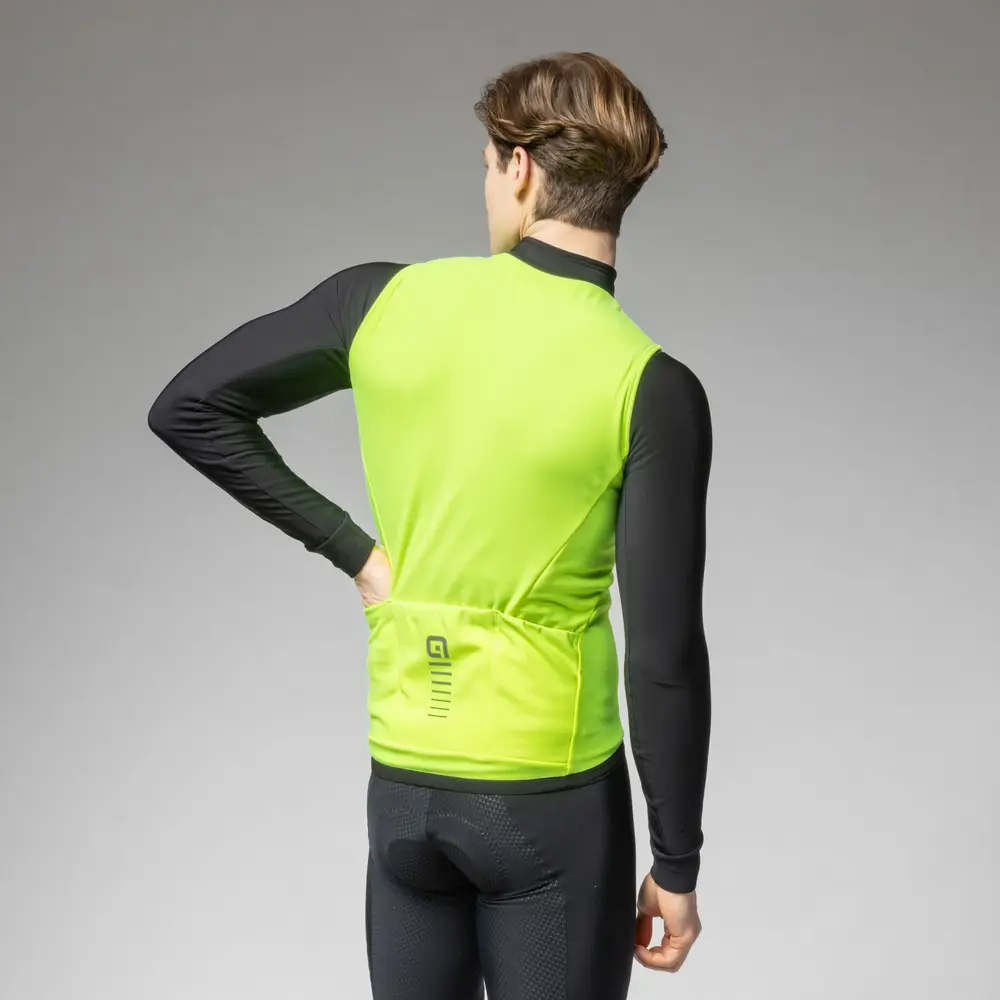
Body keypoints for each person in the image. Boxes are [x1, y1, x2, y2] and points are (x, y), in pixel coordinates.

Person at [148, 50, 712, 1000]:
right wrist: (678, 864)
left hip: (405, 790)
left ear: (520, 169)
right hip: (550, 801)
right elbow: (664, 656)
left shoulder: (379, 301)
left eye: (487, 166)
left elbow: (189, 406)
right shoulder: (651, 385)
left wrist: (356, 553)